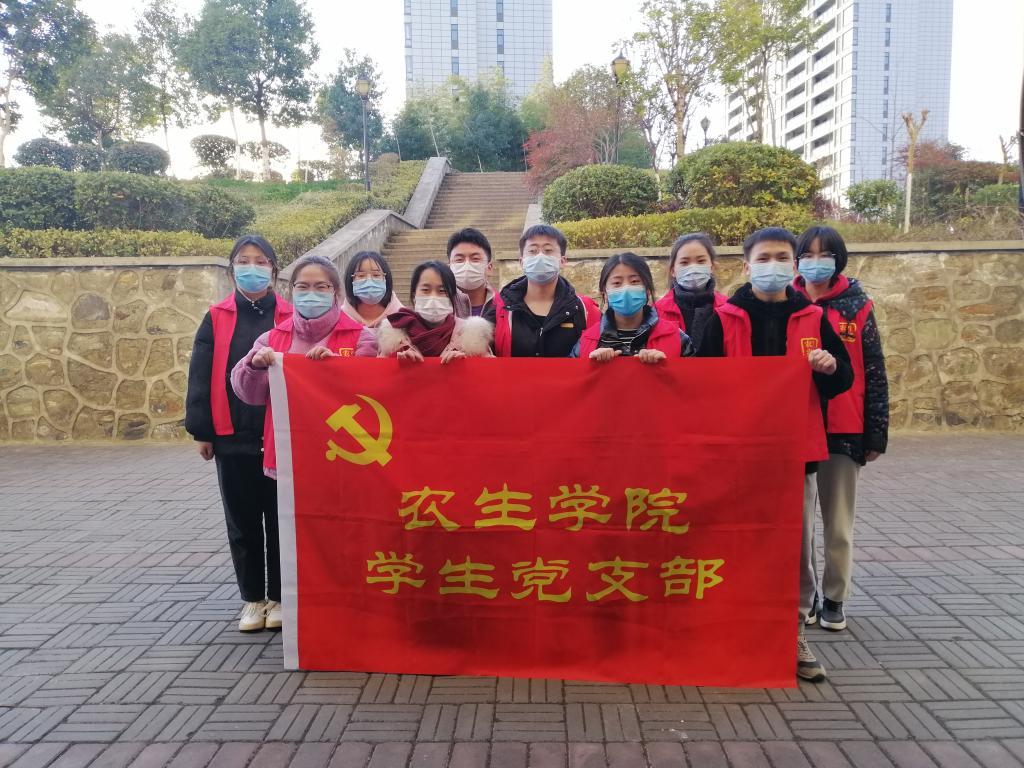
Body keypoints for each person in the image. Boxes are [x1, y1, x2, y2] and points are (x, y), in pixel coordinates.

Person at [698, 227, 853, 683]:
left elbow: (842, 378)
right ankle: (732, 631)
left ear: (795, 265)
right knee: (733, 544)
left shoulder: (813, 318)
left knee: (792, 549)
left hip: (794, 456)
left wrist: (828, 366)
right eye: (763, 258)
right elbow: (698, 384)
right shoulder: (723, 319)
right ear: (747, 266)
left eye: (782, 257)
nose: (773, 265)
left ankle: (793, 633)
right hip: (735, 457)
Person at [230, 255, 377, 630]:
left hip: (343, 459)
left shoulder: (361, 337)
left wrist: (335, 370)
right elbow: (248, 393)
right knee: (291, 531)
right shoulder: (271, 339)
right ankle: (288, 601)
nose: (311, 294)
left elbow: (372, 391)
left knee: (340, 532)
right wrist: (254, 365)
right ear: (290, 291)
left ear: (336, 292)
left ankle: (345, 602)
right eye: (303, 287)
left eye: (321, 287)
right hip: (289, 456)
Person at [186, 235, 292, 634]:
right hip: (232, 436)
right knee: (242, 521)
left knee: (280, 520)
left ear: (274, 270)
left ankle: (279, 596)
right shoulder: (216, 317)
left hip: (280, 436)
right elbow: (200, 374)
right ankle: (252, 599)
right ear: (232, 270)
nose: (252, 268)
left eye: (261, 261)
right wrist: (202, 431)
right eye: (244, 261)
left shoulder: (289, 315)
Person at [794, 225, 888, 633]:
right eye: (808, 254)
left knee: (838, 521)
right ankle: (807, 596)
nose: (816, 262)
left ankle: (835, 596)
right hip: (798, 426)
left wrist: (875, 432)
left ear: (839, 259)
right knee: (800, 525)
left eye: (825, 254)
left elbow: (874, 369)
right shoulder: (788, 303)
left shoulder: (857, 306)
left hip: (845, 428)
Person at [482, 224, 600, 357]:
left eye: (548, 250)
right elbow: (480, 350)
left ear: (562, 261)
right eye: (532, 251)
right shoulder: (500, 308)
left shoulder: (585, 310)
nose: (540, 256)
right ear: (522, 262)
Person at [572, 252, 695, 361]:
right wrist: (590, 366)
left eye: (635, 281)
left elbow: (693, 376)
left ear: (647, 290)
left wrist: (665, 367)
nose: (626, 288)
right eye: (617, 283)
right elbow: (572, 377)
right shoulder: (587, 341)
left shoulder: (676, 337)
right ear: (604, 292)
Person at [377, 260, 493, 361]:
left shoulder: (472, 337)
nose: (433, 297)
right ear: (414, 295)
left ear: (452, 297)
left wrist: (465, 365)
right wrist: (398, 362)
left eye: (442, 291)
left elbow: (489, 373)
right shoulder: (393, 336)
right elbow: (379, 373)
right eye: (425, 290)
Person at [655, 233, 728, 352]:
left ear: (712, 267)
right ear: (673, 270)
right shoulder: (656, 313)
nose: (693, 268)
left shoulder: (729, 309)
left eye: (701, 261)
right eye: (684, 263)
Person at [340, 250, 403, 328]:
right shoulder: (338, 320)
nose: (369, 281)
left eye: (376, 275)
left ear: (386, 279)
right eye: (361, 275)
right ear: (351, 280)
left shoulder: (403, 319)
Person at [447, 227, 497, 317]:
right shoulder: (440, 308)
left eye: (475, 259)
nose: (467, 265)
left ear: (489, 268)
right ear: (449, 268)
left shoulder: (505, 307)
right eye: (459, 259)